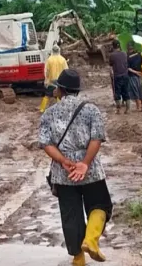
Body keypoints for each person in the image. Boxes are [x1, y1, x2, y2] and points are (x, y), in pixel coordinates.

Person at [39, 69, 112, 266]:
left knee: (71, 215)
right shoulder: (91, 109)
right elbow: (97, 139)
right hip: (90, 168)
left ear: (60, 90)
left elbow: (46, 143)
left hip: (63, 173)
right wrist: (85, 163)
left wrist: (63, 161)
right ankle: (91, 240)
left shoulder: (49, 113)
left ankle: (78, 259)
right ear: (77, 90)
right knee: (100, 205)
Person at [40, 45, 68, 113]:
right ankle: (60, 110)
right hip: (60, 82)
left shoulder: (49, 59)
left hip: (51, 82)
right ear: (59, 50)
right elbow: (66, 71)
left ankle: (42, 109)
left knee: (47, 96)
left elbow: (46, 71)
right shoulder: (63, 59)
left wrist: (46, 80)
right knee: (59, 96)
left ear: (52, 51)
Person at [109, 39, 130, 113]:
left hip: (117, 76)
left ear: (113, 46)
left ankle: (118, 109)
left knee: (117, 92)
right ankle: (127, 109)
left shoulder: (112, 55)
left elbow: (111, 65)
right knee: (126, 91)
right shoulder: (124, 53)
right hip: (125, 75)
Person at [127, 42, 142, 111]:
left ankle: (138, 107)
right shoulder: (139, 54)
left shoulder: (128, 57)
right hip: (140, 74)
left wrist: (135, 72)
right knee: (141, 90)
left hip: (132, 75)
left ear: (128, 49)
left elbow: (128, 68)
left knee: (135, 90)